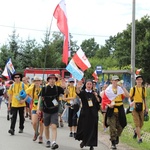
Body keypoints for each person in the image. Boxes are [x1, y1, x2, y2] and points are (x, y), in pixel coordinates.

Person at [102, 75, 129, 149]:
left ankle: (116, 136)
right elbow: (104, 100)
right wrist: (109, 104)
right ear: (112, 81)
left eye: (117, 80)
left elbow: (127, 95)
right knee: (112, 127)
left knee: (122, 125)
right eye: (114, 80)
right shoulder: (108, 90)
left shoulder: (120, 89)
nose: (116, 82)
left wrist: (123, 87)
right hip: (112, 109)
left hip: (120, 109)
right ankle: (113, 142)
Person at [37, 74, 64, 149]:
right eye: (50, 79)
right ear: (48, 80)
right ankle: (48, 140)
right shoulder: (44, 89)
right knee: (46, 126)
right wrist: (38, 109)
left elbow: (65, 94)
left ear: (55, 80)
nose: (52, 80)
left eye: (54, 79)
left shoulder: (58, 88)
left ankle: (53, 142)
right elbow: (40, 99)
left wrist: (65, 86)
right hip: (46, 110)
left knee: (54, 126)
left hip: (55, 110)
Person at [75, 79, 101, 150]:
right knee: (84, 128)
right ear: (85, 85)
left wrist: (96, 96)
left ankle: (91, 145)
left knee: (93, 129)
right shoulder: (83, 93)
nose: (89, 85)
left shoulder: (94, 93)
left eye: (90, 84)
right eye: (88, 84)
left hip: (93, 114)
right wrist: (78, 86)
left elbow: (99, 101)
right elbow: (78, 93)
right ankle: (84, 141)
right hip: (85, 114)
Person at [129, 75, 148, 143]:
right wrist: (130, 103)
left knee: (141, 123)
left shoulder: (143, 89)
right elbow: (129, 97)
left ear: (142, 81)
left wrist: (146, 108)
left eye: (140, 79)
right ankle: (140, 139)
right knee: (137, 123)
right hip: (134, 107)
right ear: (136, 81)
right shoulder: (133, 89)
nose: (139, 81)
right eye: (138, 80)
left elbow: (144, 99)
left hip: (142, 107)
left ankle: (135, 131)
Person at [25, 76, 44, 143]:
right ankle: (36, 132)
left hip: (42, 108)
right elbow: (26, 92)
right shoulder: (32, 88)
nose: (37, 82)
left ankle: (41, 136)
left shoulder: (43, 88)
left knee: (41, 123)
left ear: (41, 82)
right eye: (35, 81)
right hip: (34, 107)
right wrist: (32, 85)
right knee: (34, 122)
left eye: (38, 80)